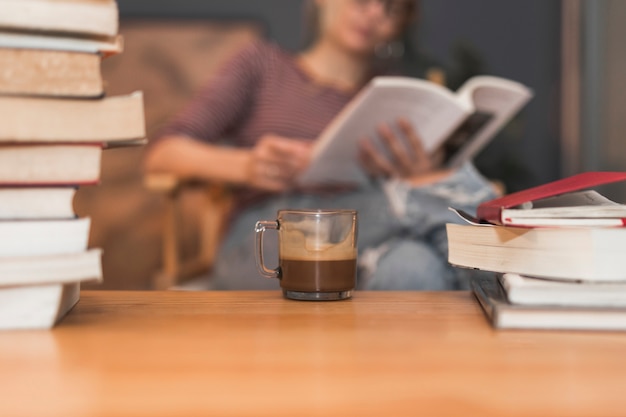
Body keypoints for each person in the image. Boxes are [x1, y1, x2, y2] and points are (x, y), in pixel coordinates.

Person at [144, 0, 498, 290]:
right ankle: (486, 245)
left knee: (413, 265)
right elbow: (163, 153)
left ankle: (417, 205)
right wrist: (247, 166)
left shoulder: (396, 92)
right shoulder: (262, 65)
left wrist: (417, 172)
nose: (374, 12)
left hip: (371, 236)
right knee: (434, 199)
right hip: (272, 234)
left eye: (391, 8)